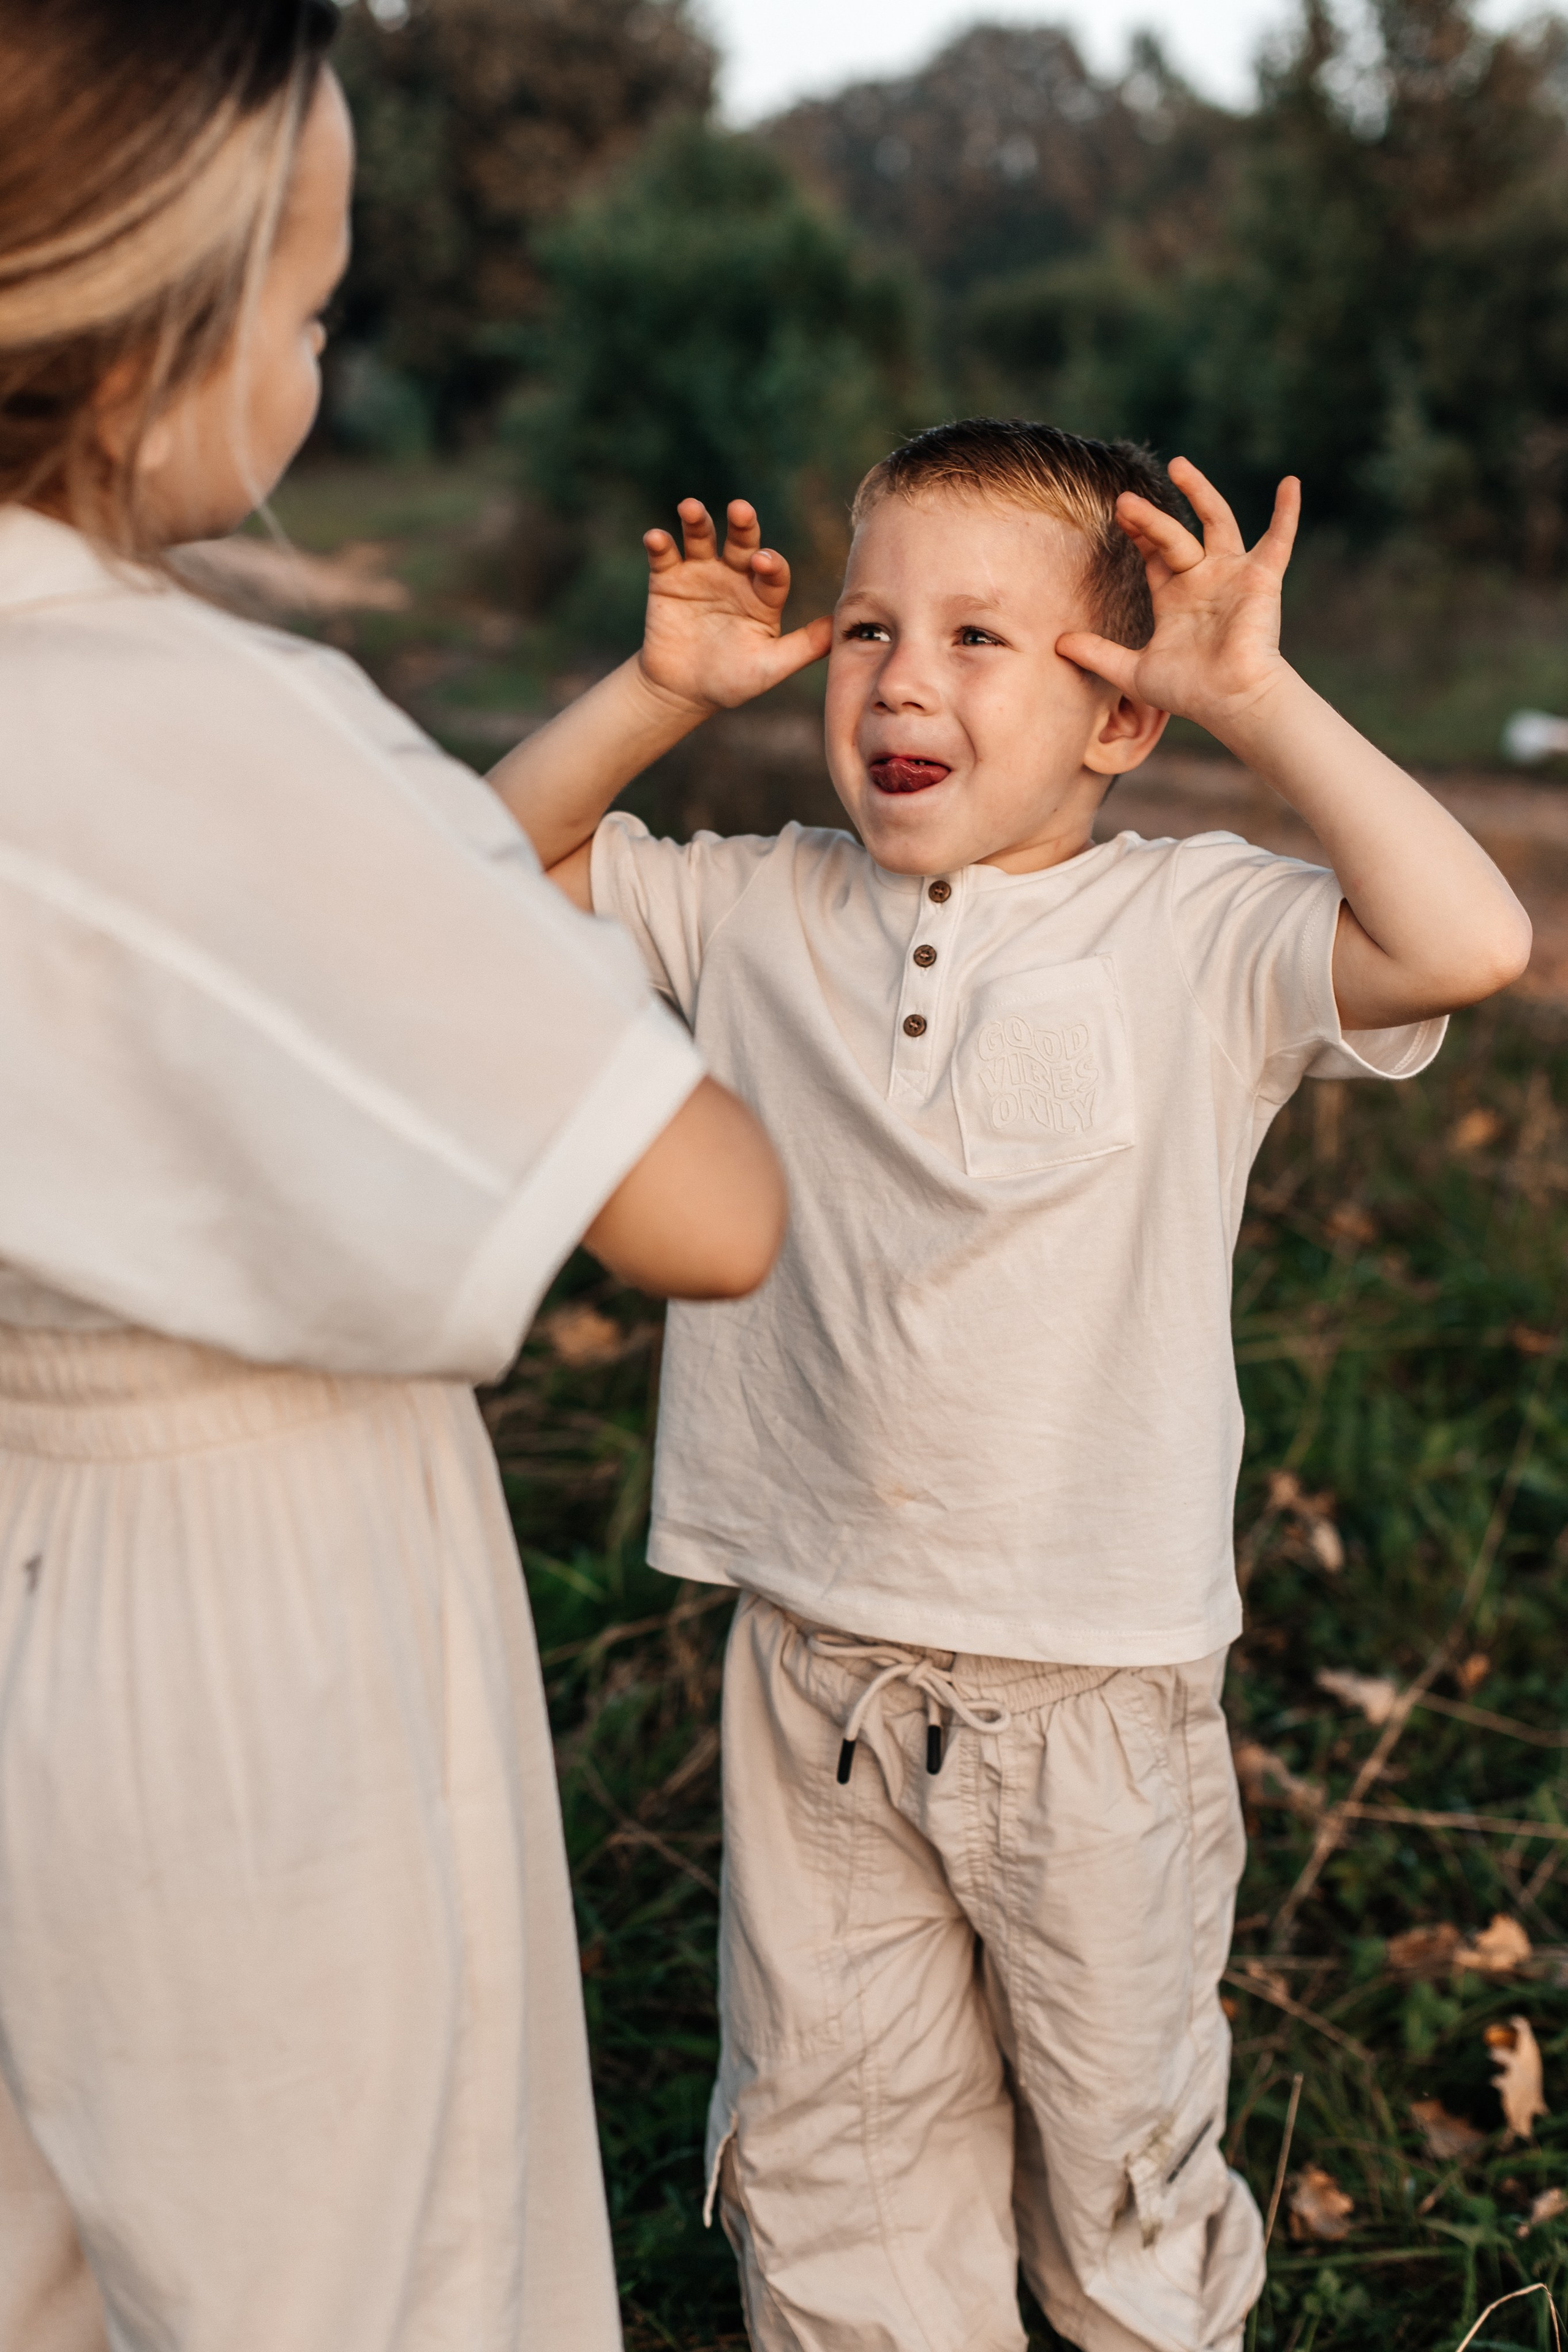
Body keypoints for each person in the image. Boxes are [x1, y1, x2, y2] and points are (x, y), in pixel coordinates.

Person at [491, 418, 1533, 2352]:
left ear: (1118, 718)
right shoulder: (756, 907)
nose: (900, 674)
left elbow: (1467, 937)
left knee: (1118, 2155)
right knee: (834, 2159)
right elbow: (483, 873)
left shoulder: (1194, 933)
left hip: (1095, 1693)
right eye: (872, 624)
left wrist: (1259, 688)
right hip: (813, 1669)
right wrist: (652, 689)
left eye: (982, 639)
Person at [0, 6, 787, 2350]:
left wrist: (639, 709)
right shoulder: (190, 715)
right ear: (157, 341)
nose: (322, 364)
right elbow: (702, 1209)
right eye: (318, 311)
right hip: (243, 1621)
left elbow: (367, 917)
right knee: (354, 2260)